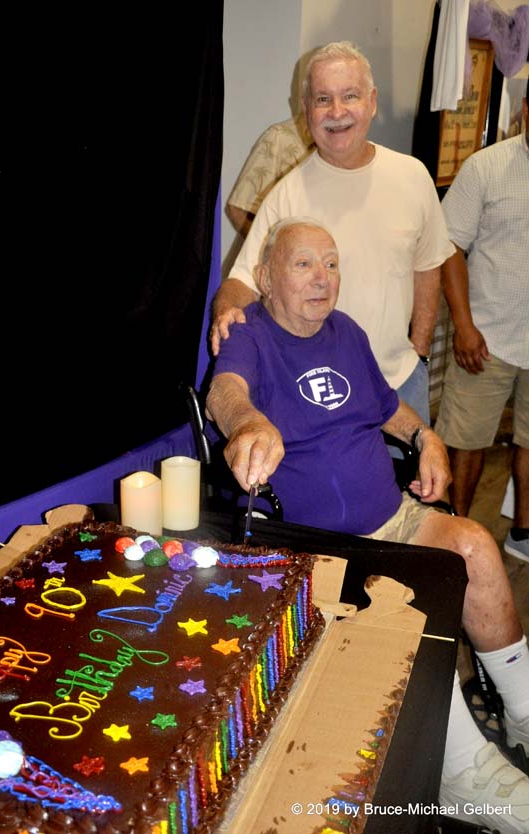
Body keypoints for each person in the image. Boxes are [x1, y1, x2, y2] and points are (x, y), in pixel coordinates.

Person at [206, 218, 529, 834]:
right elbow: (226, 393)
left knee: (476, 545)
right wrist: (249, 423)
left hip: (394, 515)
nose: (322, 278)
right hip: (322, 548)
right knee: (413, 615)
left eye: (331, 264)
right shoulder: (253, 336)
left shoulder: (345, 332)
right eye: (303, 265)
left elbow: (385, 405)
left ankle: (523, 711)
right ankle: (465, 775)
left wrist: (425, 434)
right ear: (267, 278)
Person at [211, 40, 456, 425]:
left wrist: (420, 350)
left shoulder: (412, 176)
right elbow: (244, 281)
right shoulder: (287, 194)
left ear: (372, 101)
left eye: (350, 96)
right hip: (322, 396)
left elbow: (427, 265)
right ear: (306, 110)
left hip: (401, 384)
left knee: (413, 486)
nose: (337, 112)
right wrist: (226, 309)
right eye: (323, 99)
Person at [434, 81, 529, 563]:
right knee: (466, 440)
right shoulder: (487, 167)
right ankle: (456, 531)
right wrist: (464, 325)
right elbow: (448, 244)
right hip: (487, 337)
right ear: (526, 110)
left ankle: (524, 534)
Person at [226, 111, 314, 238]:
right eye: (323, 98)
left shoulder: (348, 146)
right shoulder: (280, 137)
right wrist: (277, 251)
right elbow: (239, 210)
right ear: (305, 102)